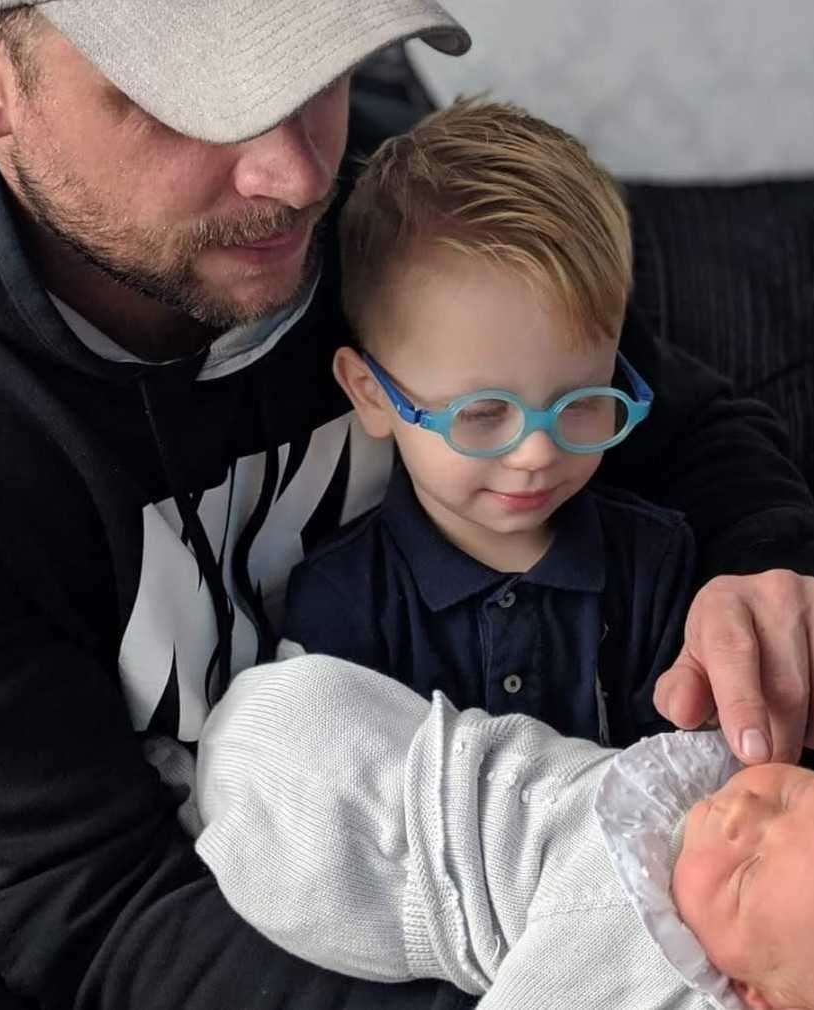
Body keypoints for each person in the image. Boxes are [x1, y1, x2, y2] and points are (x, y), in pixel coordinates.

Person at [0, 1, 814, 1007]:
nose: (295, 173)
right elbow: (94, 910)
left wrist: (770, 571)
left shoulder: (388, 202)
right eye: (194, 99)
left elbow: (689, 424)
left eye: (314, 66)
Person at [195, 655, 814, 1010]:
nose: (741, 812)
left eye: (746, 875)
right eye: (797, 795)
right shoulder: (718, 815)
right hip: (382, 753)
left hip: (371, 858)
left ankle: (198, 789)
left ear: (755, 998)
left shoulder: (626, 947)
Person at [284, 98, 695, 745]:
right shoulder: (340, 597)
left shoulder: (658, 564)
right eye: (480, 413)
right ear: (372, 395)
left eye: (583, 401)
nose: (536, 453)